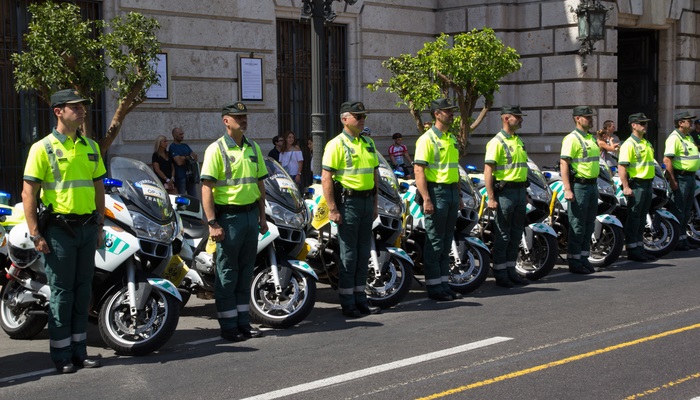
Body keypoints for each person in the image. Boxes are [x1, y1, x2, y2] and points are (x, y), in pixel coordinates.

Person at [21, 89, 106, 373]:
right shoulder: (41, 148)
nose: (82, 111)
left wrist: (100, 226)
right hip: (58, 231)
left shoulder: (91, 147)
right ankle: (62, 356)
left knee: (83, 292)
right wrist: (36, 234)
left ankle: (79, 352)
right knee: (62, 293)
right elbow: (28, 193)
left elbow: (98, 188)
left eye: (83, 107)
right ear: (58, 111)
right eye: (75, 107)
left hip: (85, 228)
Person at [200, 101, 268, 342]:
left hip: (250, 217)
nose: (243, 120)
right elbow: (207, 188)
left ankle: (243, 321)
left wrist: (262, 217)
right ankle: (228, 325)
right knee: (228, 273)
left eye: (245, 116)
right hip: (228, 219)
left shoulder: (253, 148)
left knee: (245, 272)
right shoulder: (216, 150)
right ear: (226, 121)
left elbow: (259, 183)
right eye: (238, 116)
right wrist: (212, 223)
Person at [322, 101, 381, 318]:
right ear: (344, 119)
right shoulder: (335, 144)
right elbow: (326, 178)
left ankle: (360, 299)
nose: (362, 119)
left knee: (364, 252)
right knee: (349, 254)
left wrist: (375, 204)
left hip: (366, 202)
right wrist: (332, 208)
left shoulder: (368, 143)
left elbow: (374, 174)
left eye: (363, 116)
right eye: (358, 116)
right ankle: (348, 302)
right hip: (348, 203)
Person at [414, 98, 464, 300]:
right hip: (436, 193)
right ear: (437, 114)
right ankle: (434, 288)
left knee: (446, 241)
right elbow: (419, 170)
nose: (452, 114)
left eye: (452, 111)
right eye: (447, 111)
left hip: (451, 193)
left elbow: (455, 170)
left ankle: (444, 284)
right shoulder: (427, 139)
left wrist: (459, 194)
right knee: (435, 242)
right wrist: (426, 198)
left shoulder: (450, 138)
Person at [484, 105, 531, 287]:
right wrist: (491, 197)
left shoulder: (518, 140)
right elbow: (488, 171)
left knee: (516, 233)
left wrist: (525, 193)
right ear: (506, 118)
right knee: (503, 235)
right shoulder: (496, 142)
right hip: (505, 193)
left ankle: (511, 271)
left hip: (519, 192)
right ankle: (500, 273)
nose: (520, 120)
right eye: (517, 117)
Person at [560, 106, 601, 274]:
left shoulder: (591, 138)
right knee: (577, 225)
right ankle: (574, 260)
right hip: (580, 186)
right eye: (587, 117)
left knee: (589, 224)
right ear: (577, 118)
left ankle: (584, 258)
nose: (590, 119)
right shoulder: (572, 139)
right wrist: (568, 188)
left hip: (592, 185)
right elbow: (564, 163)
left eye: (591, 116)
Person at [618, 113, 657, 262]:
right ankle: (632, 249)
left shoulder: (645, 142)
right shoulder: (629, 144)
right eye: (641, 123)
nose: (645, 126)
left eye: (645, 123)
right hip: (637, 184)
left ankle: (640, 247)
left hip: (647, 184)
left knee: (641, 219)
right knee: (634, 218)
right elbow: (622, 166)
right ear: (633, 125)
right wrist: (626, 186)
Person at [663, 111, 700, 251]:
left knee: (686, 210)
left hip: (690, 177)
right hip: (681, 177)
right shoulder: (674, 138)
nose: (691, 123)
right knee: (679, 210)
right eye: (688, 121)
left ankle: (683, 239)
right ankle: (677, 240)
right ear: (680, 123)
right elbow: (667, 160)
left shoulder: (688, 137)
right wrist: (673, 181)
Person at [169, 127, 198, 197]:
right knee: (181, 197)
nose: (182, 136)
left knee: (194, 197)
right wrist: (188, 157)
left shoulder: (185, 146)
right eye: (180, 134)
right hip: (180, 177)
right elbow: (179, 162)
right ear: (174, 136)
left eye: (182, 134)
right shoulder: (172, 147)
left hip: (190, 177)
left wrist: (183, 157)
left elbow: (195, 157)